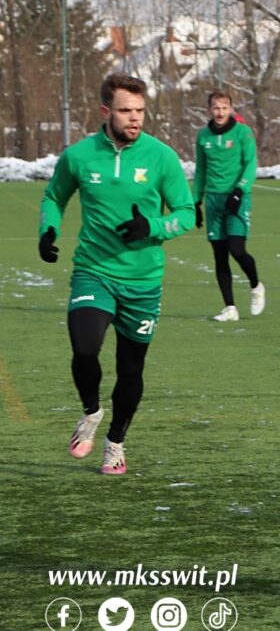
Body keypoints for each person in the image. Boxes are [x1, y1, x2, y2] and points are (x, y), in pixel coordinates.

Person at [38, 74, 195, 475]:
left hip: (143, 283)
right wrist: (48, 229)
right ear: (106, 111)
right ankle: (90, 412)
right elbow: (54, 196)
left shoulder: (161, 157)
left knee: (131, 370)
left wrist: (153, 228)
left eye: (140, 110)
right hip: (94, 271)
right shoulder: (79, 156)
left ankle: (115, 443)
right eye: (126, 110)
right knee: (85, 348)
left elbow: (187, 214)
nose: (135, 118)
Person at [193, 91, 265, 322]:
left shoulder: (243, 133)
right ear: (209, 110)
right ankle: (230, 308)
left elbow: (250, 163)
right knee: (219, 255)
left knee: (237, 250)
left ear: (231, 109)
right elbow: (201, 170)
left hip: (236, 197)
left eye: (224, 107)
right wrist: (196, 201)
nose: (220, 112)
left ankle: (256, 287)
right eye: (216, 107)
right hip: (213, 199)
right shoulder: (203, 136)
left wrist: (239, 190)